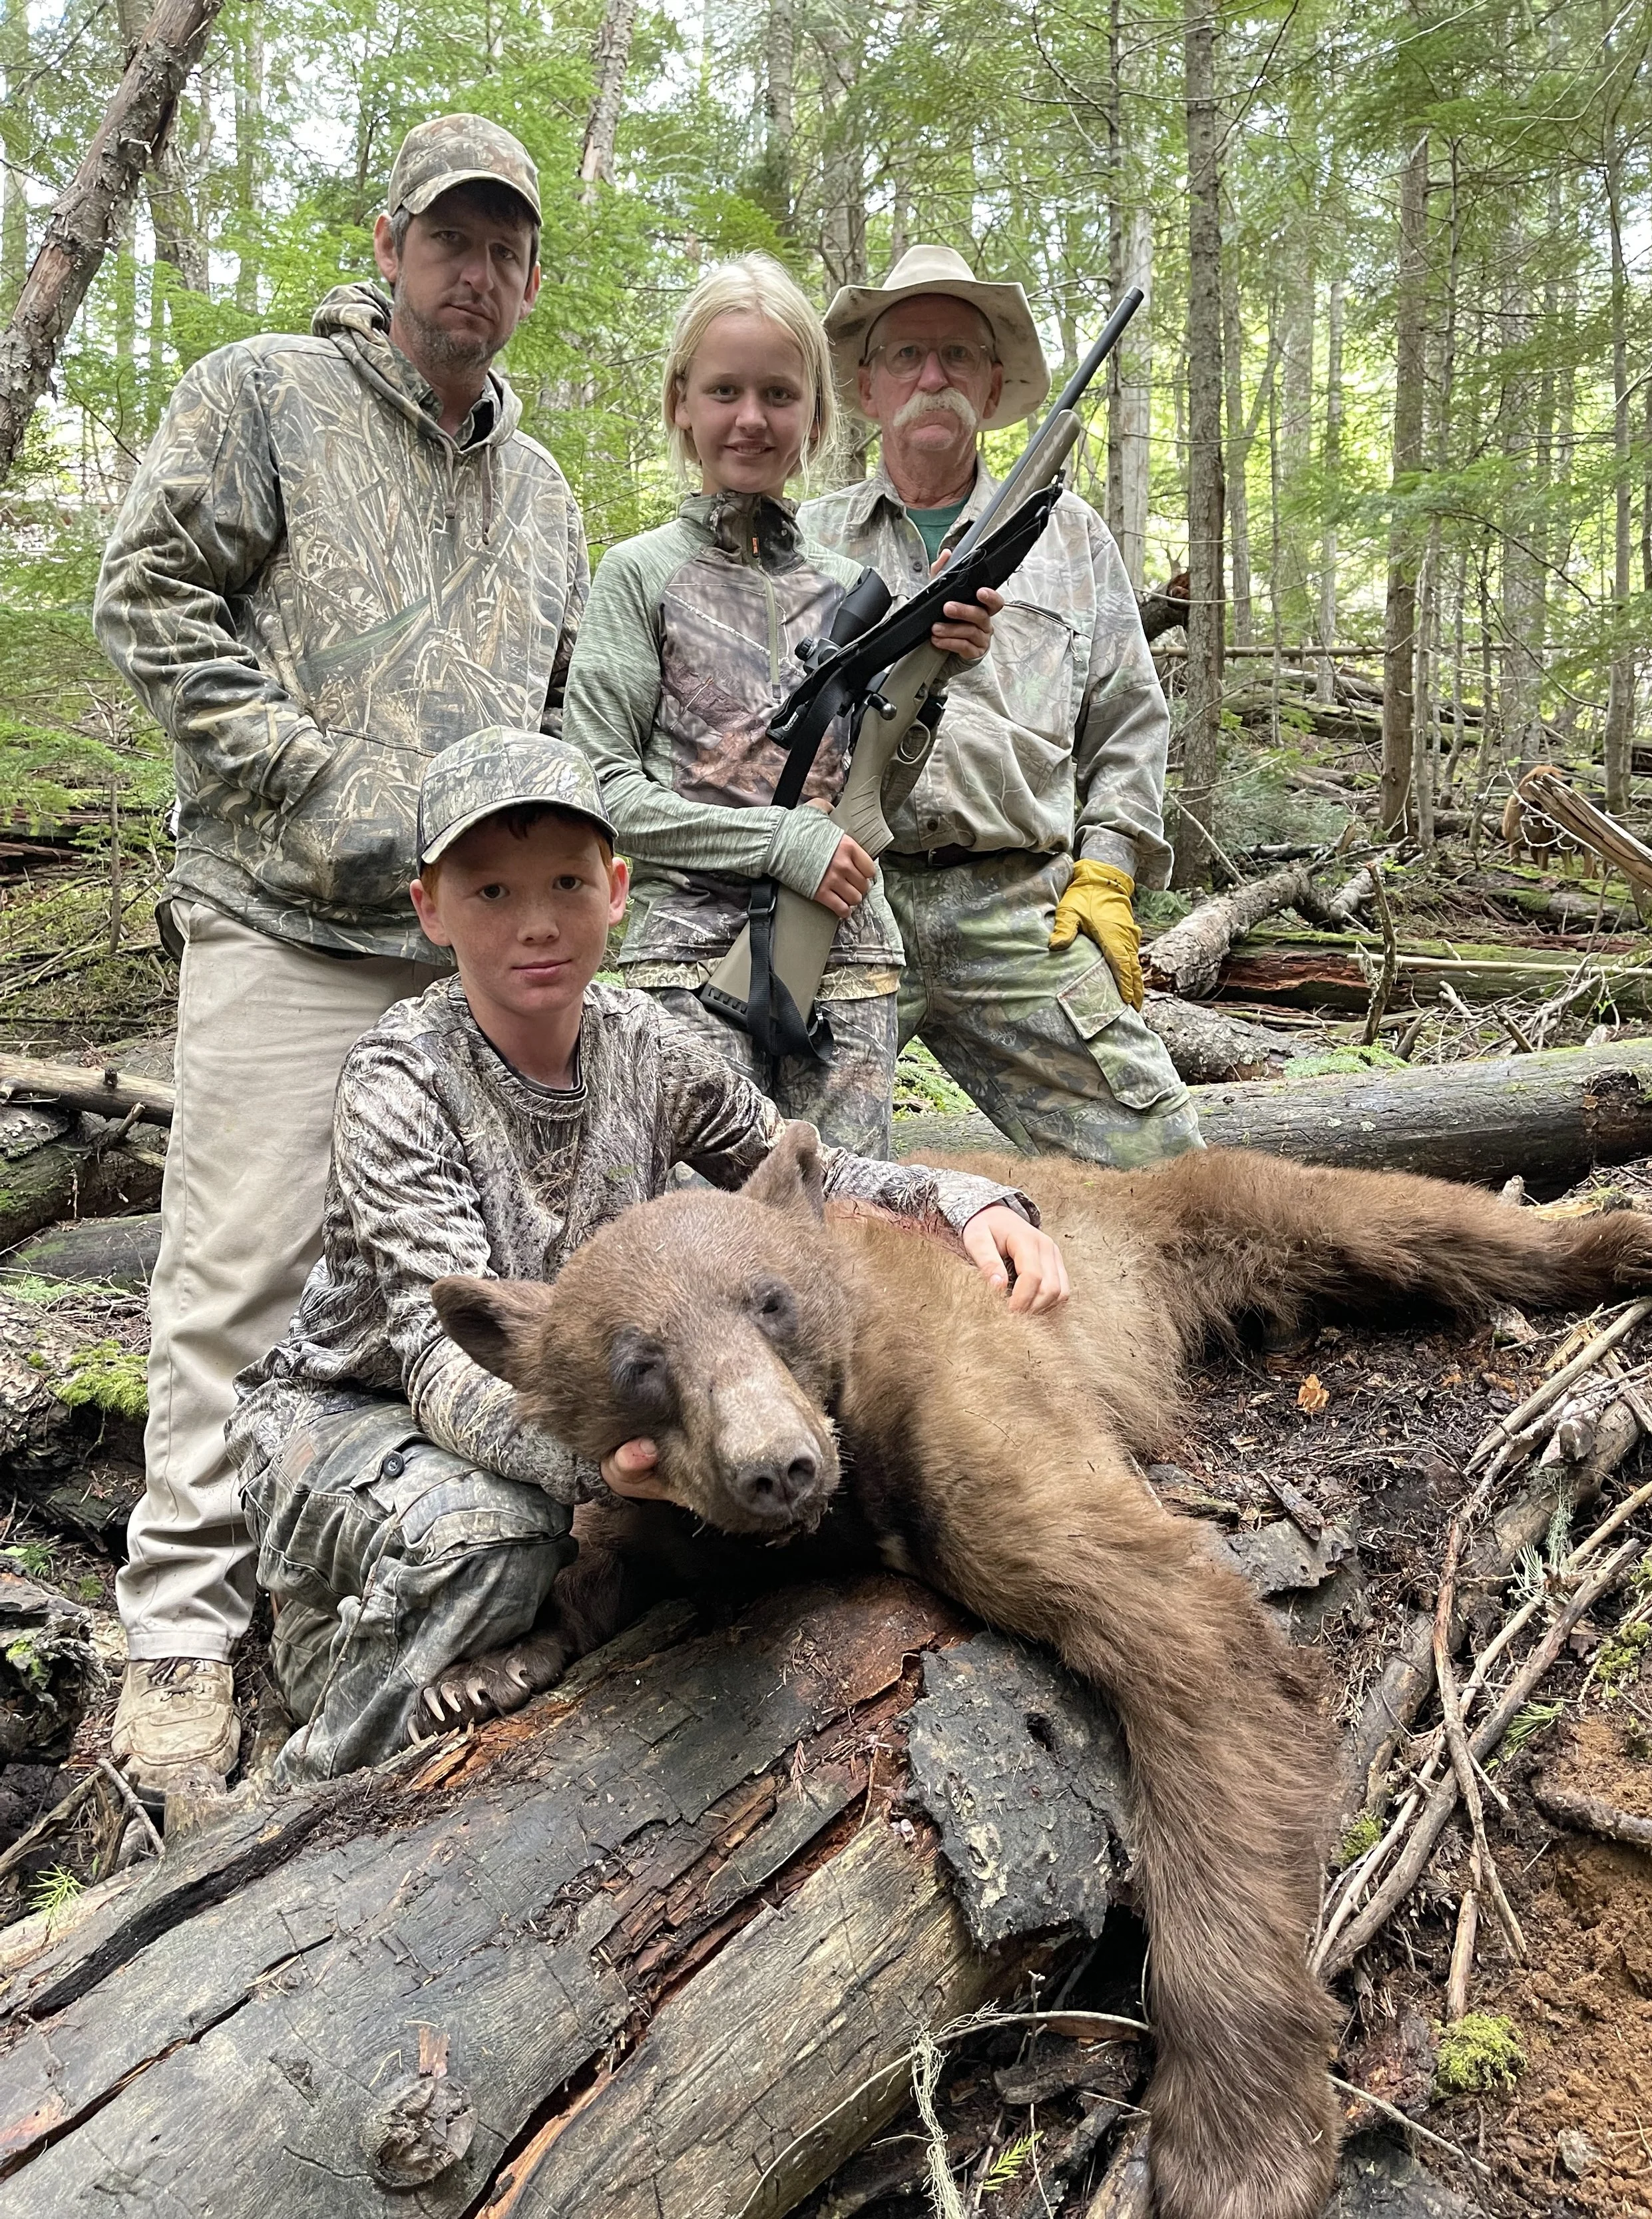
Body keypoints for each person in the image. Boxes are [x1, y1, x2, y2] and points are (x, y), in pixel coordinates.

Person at [227, 731, 1066, 1786]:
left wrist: (968, 1201)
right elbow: (439, 1363)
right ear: (430, 909)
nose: (537, 923)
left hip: (592, 1396)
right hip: (349, 1412)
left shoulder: (645, 1044)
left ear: (616, 891)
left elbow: (799, 1169)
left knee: (586, 1553)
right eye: (490, 894)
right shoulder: (400, 1079)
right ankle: (310, 1788)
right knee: (493, 1540)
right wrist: (633, 1464)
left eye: (568, 884)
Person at [93, 115, 589, 1796]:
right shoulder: (262, 397)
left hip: (469, 964)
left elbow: (557, 731)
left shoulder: (545, 497)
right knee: (237, 1274)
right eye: (451, 237)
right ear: (387, 249)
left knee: (445, 1288)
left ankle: (356, 1610)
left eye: (508, 247)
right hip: (282, 921)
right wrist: (322, 791)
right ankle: (172, 1637)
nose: (479, 271)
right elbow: (146, 599)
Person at [562, 253, 999, 1157]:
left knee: (849, 1243)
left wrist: (932, 692)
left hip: (848, 966)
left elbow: (870, 801)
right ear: (681, 401)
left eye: (779, 394)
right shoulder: (639, 573)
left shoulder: (854, 587)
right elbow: (604, 795)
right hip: (681, 973)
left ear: (817, 413)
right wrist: (783, 844)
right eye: (725, 391)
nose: (752, 419)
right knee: (699, 1257)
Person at [799, 246, 1203, 1166]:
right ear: (868, 387)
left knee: (1168, 1169)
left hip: (1020, 907)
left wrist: (1107, 869)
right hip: (848, 899)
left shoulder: (1070, 537)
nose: (930, 378)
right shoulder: (810, 539)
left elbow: (1131, 720)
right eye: (906, 356)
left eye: (957, 358)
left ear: (991, 389)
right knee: (770, 1173)